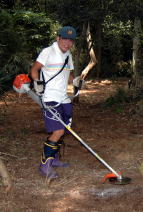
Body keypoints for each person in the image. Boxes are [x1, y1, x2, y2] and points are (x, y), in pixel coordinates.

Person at [30, 26, 82, 179]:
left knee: (64, 129)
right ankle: (44, 166)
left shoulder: (68, 55)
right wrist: (37, 82)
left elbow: (69, 75)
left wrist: (77, 81)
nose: (67, 42)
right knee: (57, 131)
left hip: (64, 98)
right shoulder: (48, 51)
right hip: (50, 98)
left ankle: (54, 159)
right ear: (58, 38)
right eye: (64, 38)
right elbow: (34, 69)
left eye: (70, 40)